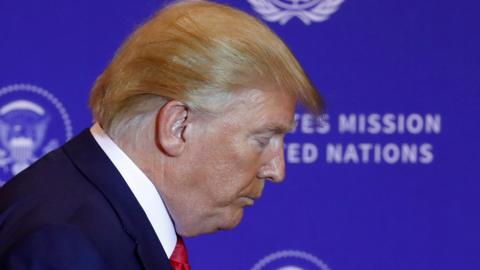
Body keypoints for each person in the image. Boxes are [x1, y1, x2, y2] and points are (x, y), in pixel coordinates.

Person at [0, 0, 323, 269]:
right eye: (263, 139)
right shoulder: (67, 248)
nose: (276, 170)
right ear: (177, 126)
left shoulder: (93, 222)